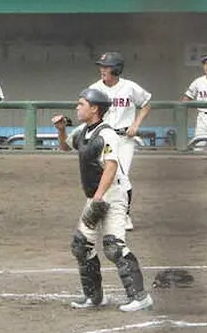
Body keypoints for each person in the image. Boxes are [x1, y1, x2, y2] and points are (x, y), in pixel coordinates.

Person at [53, 88, 154, 312]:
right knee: (81, 246)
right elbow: (64, 146)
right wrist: (61, 131)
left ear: (94, 108)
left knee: (114, 246)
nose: (77, 108)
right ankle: (95, 297)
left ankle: (140, 297)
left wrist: (98, 198)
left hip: (113, 195)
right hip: (96, 195)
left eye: (81, 104)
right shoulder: (82, 132)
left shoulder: (107, 135)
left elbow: (111, 165)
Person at [89, 52, 152, 230]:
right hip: (104, 137)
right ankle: (106, 212)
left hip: (124, 139)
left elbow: (147, 103)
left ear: (116, 69)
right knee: (104, 177)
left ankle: (124, 215)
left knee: (122, 177)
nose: (102, 70)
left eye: (106, 67)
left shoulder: (130, 87)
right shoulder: (95, 88)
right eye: (101, 66)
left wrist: (136, 123)